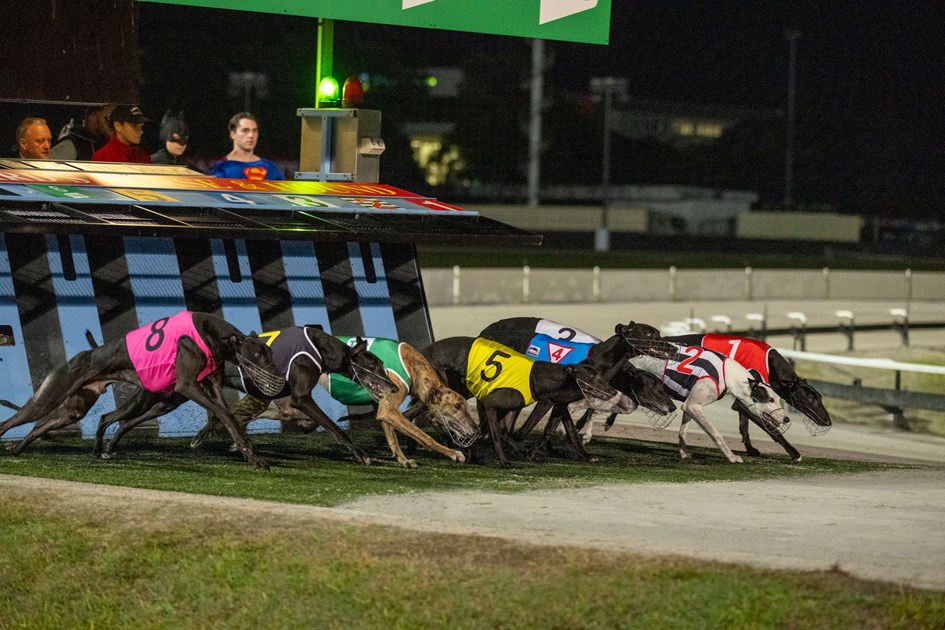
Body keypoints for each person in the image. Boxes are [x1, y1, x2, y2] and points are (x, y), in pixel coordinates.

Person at [209, 112, 284, 180]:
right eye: (245, 131)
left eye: (254, 131)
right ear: (233, 134)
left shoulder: (271, 169)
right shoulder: (221, 168)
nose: (251, 135)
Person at [49, 104, 116, 161]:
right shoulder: (71, 144)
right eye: (107, 119)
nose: (112, 124)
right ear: (92, 117)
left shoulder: (110, 143)